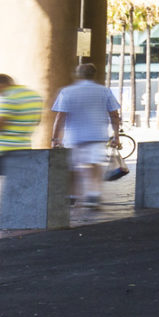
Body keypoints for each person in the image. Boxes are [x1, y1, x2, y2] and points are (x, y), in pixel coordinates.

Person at [50, 63, 123, 208]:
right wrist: (116, 136)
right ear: (93, 74)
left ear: (78, 74)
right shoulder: (104, 91)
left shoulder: (67, 91)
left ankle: (71, 196)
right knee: (94, 165)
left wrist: (55, 138)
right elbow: (114, 115)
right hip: (97, 135)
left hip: (73, 136)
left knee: (72, 167)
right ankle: (93, 195)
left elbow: (60, 117)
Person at [0, 73, 45, 211]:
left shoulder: (7, 97)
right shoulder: (33, 96)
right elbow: (37, 121)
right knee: (17, 184)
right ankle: (18, 216)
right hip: (22, 146)